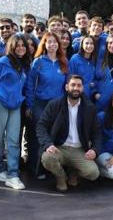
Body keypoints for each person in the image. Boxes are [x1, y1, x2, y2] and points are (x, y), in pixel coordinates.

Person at [0, 34, 31, 190]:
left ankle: (12, 174)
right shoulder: (2, 62)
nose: (21, 48)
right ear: (12, 47)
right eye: (18, 46)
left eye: (23, 45)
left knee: (13, 140)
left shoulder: (24, 64)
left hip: (15, 104)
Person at [37, 74, 101, 192]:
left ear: (82, 88)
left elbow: (97, 133)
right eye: (73, 85)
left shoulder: (89, 108)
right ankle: (61, 176)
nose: (76, 88)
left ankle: (73, 171)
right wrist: (48, 144)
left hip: (79, 149)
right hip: (59, 148)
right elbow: (41, 126)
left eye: (79, 85)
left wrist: (95, 150)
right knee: (47, 158)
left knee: (93, 173)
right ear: (67, 87)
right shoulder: (54, 104)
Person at [26, 32, 68, 177]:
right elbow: (30, 84)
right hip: (40, 104)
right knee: (39, 136)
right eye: (49, 42)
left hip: (58, 105)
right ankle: (35, 168)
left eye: (54, 42)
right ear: (44, 44)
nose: (52, 44)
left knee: (53, 136)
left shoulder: (63, 62)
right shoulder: (38, 62)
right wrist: (30, 105)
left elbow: (66, 85)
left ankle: (50, 168)